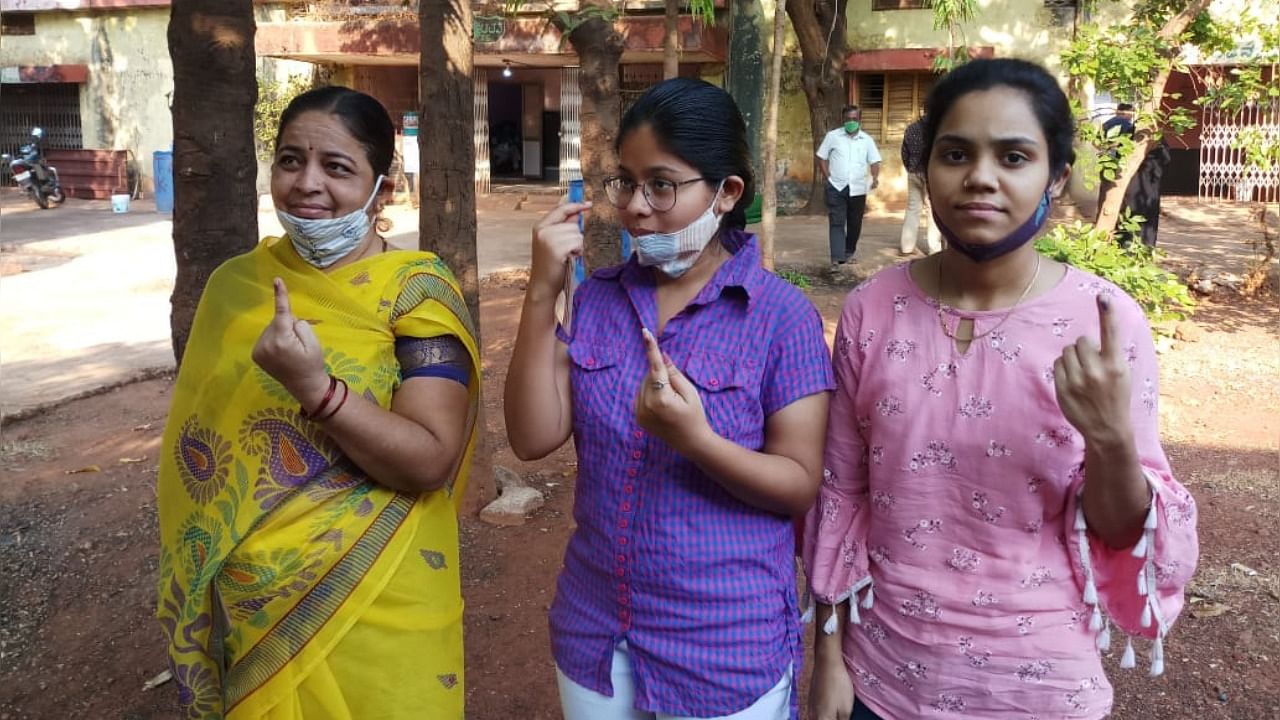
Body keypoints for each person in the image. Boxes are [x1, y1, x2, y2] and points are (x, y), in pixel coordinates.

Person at [804, 59, 1198, 720]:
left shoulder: (1102, 322)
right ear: (927, 171)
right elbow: (842, 492)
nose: (980, 177)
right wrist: (829, 658)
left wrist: (1109, 436)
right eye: (956, 154)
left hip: (1038, 688)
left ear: (1058, 176)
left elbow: (1122, 527)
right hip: (882, 678)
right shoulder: (874, 308)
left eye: (1014, 156)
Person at [505, 77, 834, 720]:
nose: (635, 206)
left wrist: (697, 441)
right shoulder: (598, 297)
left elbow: (798, 484)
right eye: (624, 182)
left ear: (726, 193)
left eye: (662, 184)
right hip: (597, 629)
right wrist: (541, 294)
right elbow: (532, 436)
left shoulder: (780, 317)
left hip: (724, 646)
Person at [156, 86, 480, 719]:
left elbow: (430, 461)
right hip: (253, 604)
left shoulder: (416, 292)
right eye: (289, 160)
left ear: (383, 189)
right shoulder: (235, 288)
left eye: (336, 167)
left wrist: (317, 390)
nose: (307, 184)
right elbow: (200, 454)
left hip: (381, 597)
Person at [817, 105, 882, 267]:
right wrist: (828, 177)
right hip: (836, 187)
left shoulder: (867, 140)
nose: (851, 122)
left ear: (859, 120)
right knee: (837, 221)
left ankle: (849, 251)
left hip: (858, 188)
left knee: (855, 223)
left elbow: (875, 161)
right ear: (842, 120)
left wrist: (875, 177)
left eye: (854, 119)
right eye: (848, 119)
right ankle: (837, 258)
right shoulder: (832, 136)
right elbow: (821, 157)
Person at [897, 116, 942, 256]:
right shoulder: (937, 129)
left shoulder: (911, 128)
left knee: (912, 209)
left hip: (914, 173)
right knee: (932, 210)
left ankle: (906, 247)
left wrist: (910, 168)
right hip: (931, 174)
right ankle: (934, 249)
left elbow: (904, 152)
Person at [1118, 139, 1173, 248]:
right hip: (1148, 188)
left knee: (1131, 217)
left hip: (1135, 187)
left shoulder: (1130, 137)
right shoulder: (1158, 140)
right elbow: (1166, 159)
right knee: (1145, 219)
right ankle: (1145, 248)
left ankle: (1128, 249)